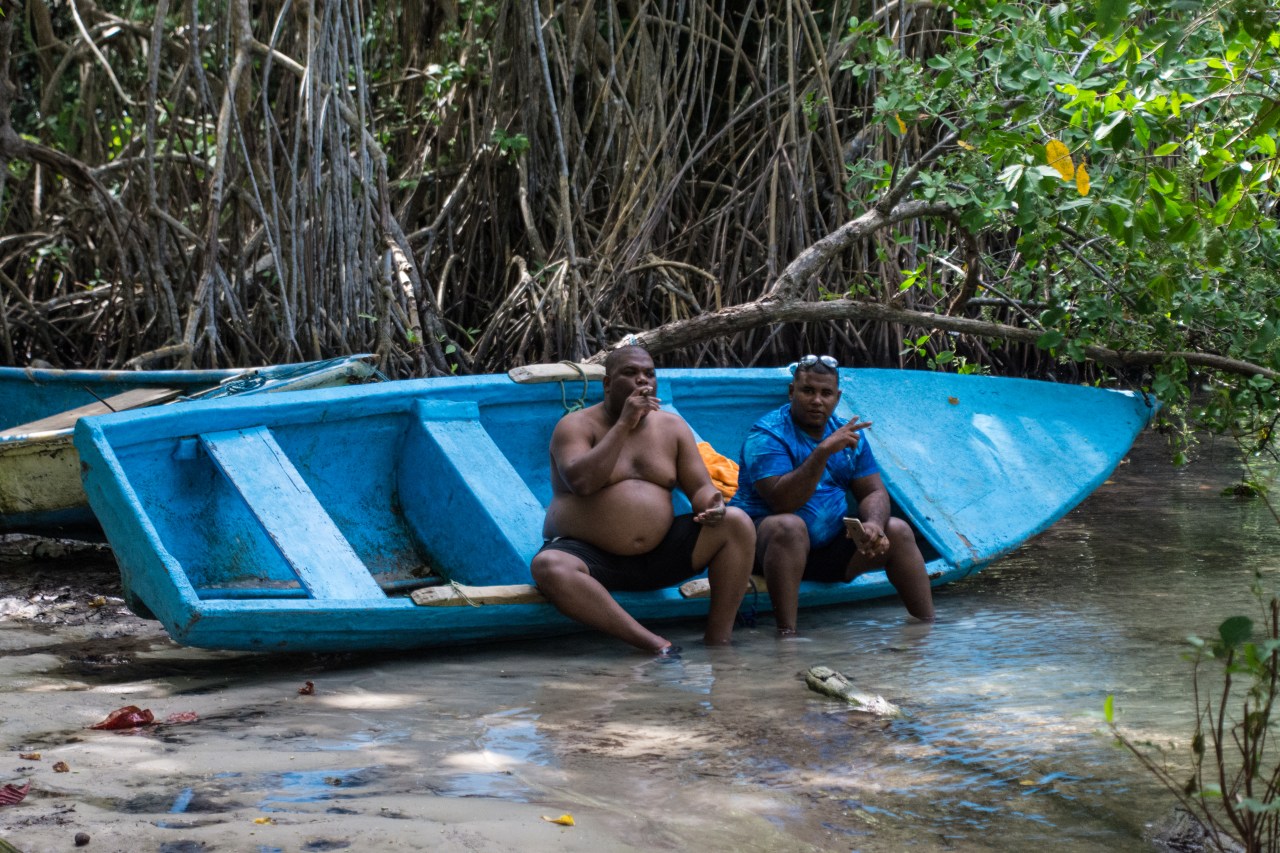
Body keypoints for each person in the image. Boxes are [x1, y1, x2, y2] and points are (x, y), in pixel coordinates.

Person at [530, 345, 756, 653]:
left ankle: (719, 642)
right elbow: (582, 483)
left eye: (649, 373)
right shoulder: (575, 426)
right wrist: (624, 424)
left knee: (737, 522)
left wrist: (711, 504)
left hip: (660, 555)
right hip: (592, 557)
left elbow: (701, 488)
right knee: (549, 566)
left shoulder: (672, 427)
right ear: (607, 384)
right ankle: (654, 644)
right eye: (630, 373)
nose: (642, 381)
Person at [729, 354, 935, 635]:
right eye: (808, 391)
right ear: (792, 392)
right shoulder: (766, 435)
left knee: (896, 530)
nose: (817, 400)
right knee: (788, 526)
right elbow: (782, 502)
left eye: (826, 393)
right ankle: (786, 637)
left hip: (826, 549)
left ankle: (928, 632)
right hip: (768, 551)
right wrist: (824, 451)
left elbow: (873, 490)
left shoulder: (848, 435)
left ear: (837, 398)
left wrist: (873, 524)